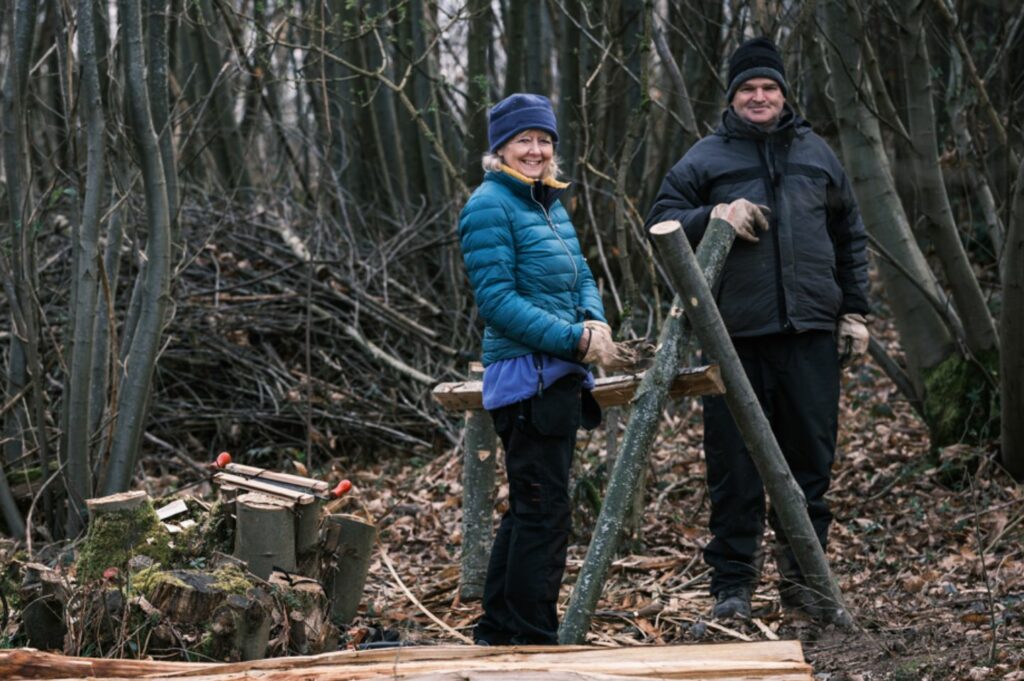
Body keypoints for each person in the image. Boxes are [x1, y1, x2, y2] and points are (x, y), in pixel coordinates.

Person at [645, 37, 870, 620]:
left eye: (769, 87)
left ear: (783, 94)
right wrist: (714, 215)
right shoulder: (705, 158)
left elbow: (849, 237)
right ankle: (733, 591)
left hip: (811, 335)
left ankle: (808, 586)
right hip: (734, 339)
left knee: (809, 468)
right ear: (733, 97)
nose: (759, 96)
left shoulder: (818, 154)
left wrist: (855, 312)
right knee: (735, 469)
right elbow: (659, 222)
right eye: (748, 88)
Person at [458, 93, 631, 645]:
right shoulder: (489, 205)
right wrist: (575, 341)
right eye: (524, 140)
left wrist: (595, 322)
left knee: (531, 510)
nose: (536, 150)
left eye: (544, 140)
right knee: (544, 514)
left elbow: (581, 275)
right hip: (526, 380)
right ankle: (532, 641)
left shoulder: (547, 204)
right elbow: (498, 302)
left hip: (555, 376)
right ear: (502, 147)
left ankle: (499, 630)